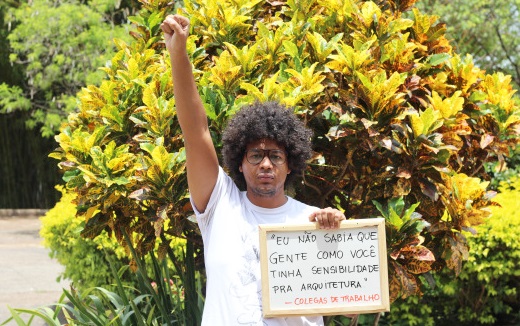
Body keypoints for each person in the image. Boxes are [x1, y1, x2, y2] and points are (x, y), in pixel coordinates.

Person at [161, 14, 346, 326]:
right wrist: (178, 53)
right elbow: (196, 131)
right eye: (255, 155)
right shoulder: (220, 205)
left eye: (275, 156)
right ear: (239, 163)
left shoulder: (314, 221)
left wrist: (339, 238)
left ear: (291, 165)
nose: (265, 164)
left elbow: (354, 304)